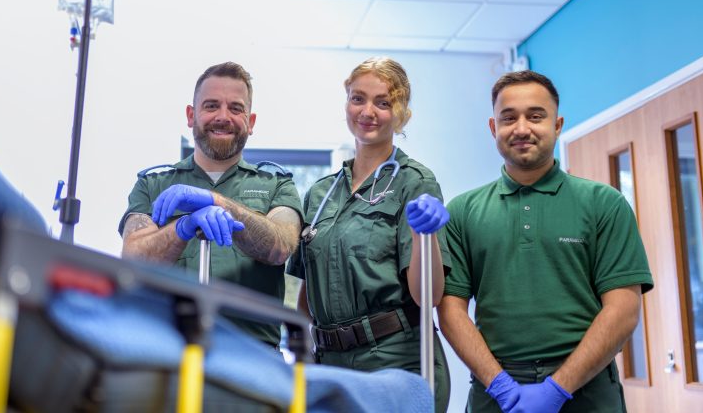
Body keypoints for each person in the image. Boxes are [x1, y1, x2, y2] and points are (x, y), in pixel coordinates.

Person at [438, 71, 654, 413]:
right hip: (495, 392)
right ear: (494, 128)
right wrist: (500, 385)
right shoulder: (463, 212)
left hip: (588, 390)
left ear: (557, 124)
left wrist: (559, 387)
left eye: (536, 116)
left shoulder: (604, 204)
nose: (522, 128)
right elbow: (451, 311)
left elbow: (623, 309)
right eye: (509, 118)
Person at [286, 57, 453, 413]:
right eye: (358, 98)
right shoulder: (321, 193)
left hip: (394, 361)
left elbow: (428, 295)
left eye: (383, 102)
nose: (367, 112)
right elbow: (307, 295)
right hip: (328, 363)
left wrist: (424, 236)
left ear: (401, 113)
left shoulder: (414, 183)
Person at [118, 61, 303, 347]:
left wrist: (219, 203)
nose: (223, 117)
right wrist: (182, 227)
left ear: (251, 122)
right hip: (166, 348)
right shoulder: (152, 185)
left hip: (251, 354)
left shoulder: (277, 185)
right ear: (191, 115)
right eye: (211, 106)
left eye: (236, 108)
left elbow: (281, 246)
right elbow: (133, 260)